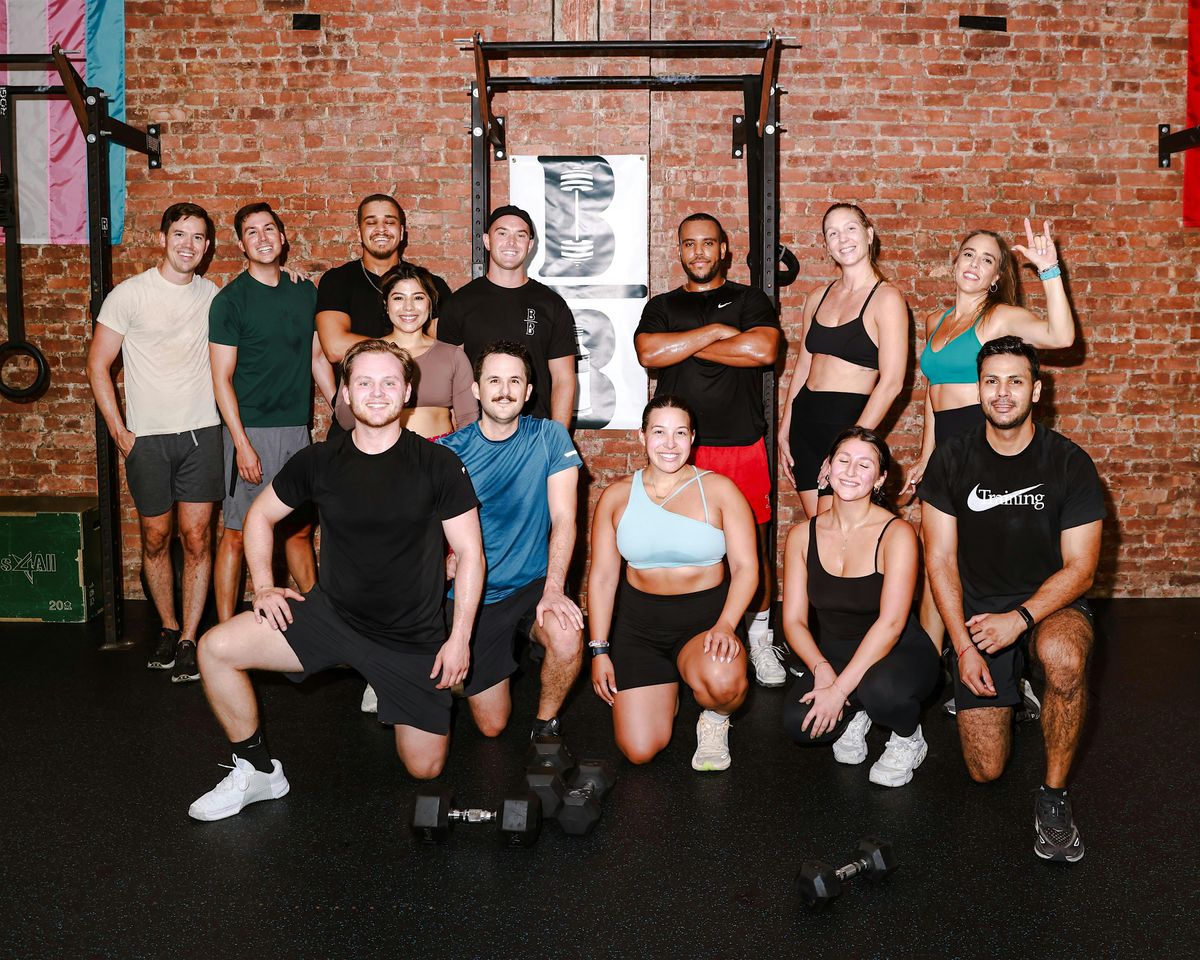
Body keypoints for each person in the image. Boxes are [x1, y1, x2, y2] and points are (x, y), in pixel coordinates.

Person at [187, 339, 484, 821]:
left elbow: (471, 553)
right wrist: (263, 585)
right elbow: (259, 518)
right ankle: (258, 769)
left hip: (410, 637)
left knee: (425, 770)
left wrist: (459, 639)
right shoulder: (319, 461)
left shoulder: (439, 464)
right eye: (363, 381)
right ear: (344, 393)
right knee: (215, 649)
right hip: (332, 617)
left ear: (408, 391)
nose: (377, 392)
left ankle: (386, 685)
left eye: (389, 382)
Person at [919, 336, 1104, 862]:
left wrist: (1020, 621)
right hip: (979, 613)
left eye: (1015, 381)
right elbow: (940, 562)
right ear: (978, 389)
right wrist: (963, 645)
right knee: (986, 770)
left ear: (1036, 390)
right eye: (991, 381)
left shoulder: (1070, 463)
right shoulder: (951, 461)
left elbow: (1082, 569)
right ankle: (1014, 688)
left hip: (1048, 604)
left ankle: (1054, 795)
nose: (1002, 393)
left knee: (1065, 659)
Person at [903, 220, 1075, 660]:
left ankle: (1007, 665)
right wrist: (927, 454)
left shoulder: (997, 317)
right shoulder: (935, 319)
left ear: (998, 276)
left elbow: (1062, 336)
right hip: (946, 451)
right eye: (968, 254)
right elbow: (932, 391)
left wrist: (1050, 271)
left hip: (981, 449)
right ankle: (927, 669)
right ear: (954, 262)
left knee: (979, 564)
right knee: (936, 562)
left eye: (988, 260)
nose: (975, 264)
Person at [634, 213, 784, 687]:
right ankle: (694, 638)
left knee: (753, 553)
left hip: (741, 445)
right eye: (689, 244)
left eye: (708, 243)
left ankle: (760, 637)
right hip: (679, 451)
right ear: (679, 250)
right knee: (687, 551)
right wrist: (718, 334)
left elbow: (763, 351)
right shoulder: (662, 305)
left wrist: (681, 346)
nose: (698, 252)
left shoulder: (749, 299)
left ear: (724, 249)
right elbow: (648, 354)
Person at [86, 202, 223, 683]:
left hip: (203, 433)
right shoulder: (130, 295)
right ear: (163, 237)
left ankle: (188, 637)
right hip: (147, 439)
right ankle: (166, 627)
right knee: (156, 538)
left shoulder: (213, 295)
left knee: (197, 539)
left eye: (199, 237)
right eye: (181, 234)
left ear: (208, 246)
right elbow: (96, 364)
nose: (189, 245)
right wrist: (119, 430)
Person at [588, 395, 756, 772]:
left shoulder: (720, 491)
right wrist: (599, 651)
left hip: (704, 624)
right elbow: (601, 577)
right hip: (639, 629)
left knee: (724, 684)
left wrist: (727, 624)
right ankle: (669, 689)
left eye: (680, 433)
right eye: (659, 432)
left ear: (693, 438)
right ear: (642, 436)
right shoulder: (616, 498)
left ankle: (713, 718)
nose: (669, 443)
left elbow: (746, 568)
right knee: (639, 750)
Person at [438, 341, 584, 740]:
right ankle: (464, 667)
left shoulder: (550, 437)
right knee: (491, 726)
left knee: (567, 635)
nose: (505, 390)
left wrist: (554, 588)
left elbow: (565, 518)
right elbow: (412, 525)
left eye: (515, 381)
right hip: (475, 596)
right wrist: (440, 561)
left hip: (533, 584)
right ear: (476, 389)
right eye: (495, 380)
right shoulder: (449, 451)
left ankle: (545, 726)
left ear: (529, 391)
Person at [780, 428, 939, 787]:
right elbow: (792, 621)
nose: (851, 471)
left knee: (879, 691)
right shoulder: (802, 536)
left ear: (880, 478)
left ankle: (907, 736)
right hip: (835, 655)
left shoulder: (897, 534)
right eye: (843, 460)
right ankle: (858, 710)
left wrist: (838, 693)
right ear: (828, 467)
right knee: (798, 725)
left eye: (864, 465)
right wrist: (822, 670)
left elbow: (892, 623)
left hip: (897, 653)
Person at [209, 202, 337, 623]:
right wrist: (242, 445)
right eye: (251, 232)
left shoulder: (305, 291)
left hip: (296, 432)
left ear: (282, 238)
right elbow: (221, 379)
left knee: (298, 530)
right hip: (250, 433)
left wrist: (341, 407)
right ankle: (223, 633)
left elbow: (319, 359)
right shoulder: (230, 301)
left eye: (269, 229)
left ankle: (320, 622)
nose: (262, 238)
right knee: (235, 533)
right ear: (241, 243)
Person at [777, 203, 908, 519]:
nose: (842, 238)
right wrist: (785, 426)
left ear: (869, 234)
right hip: (805, 423)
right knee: (818, 531)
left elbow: (891, 383)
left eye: (850, 228)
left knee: (837, 531)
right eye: (832, 233)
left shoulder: (886, 298)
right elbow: (804, 365)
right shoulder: (817, 296)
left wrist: (848, 447)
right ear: (826, 245)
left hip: (847, 424)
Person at [315, 194, 452, 435]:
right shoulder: (338, 281)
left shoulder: (432, 285)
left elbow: (440, 353)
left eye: (389, 222)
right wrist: (340, 404)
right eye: (371, 222)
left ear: (402, 231)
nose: (381, 229)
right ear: (359, 231)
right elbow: (335, 347)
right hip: (356, 422)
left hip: (415, 422)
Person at [437, 205, 577, 429]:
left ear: (530, 245)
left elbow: (564, 379)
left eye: (520, 235)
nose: (511, 242)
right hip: (478, 435)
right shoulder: (459, 304)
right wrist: (461, 438)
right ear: (487, 241)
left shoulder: (552, 304)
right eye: (502, 233)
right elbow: (447, 380)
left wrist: (557, 439)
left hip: (535, 434)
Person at [333, 262, 476, 437]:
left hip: (439, 455)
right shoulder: (363, 356)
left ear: (430, 304)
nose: (408, 307)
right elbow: (344, 419)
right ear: (386, 304)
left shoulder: (453, 356)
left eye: (418, 298)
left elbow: (469, 422)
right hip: (381, 454)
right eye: (398, 298)